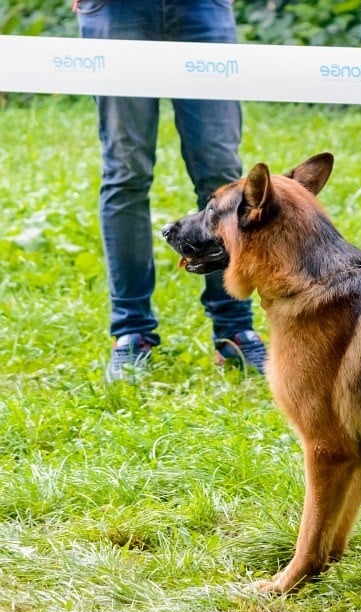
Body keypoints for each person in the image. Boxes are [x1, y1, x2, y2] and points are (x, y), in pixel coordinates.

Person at [75, 0, 266, 381]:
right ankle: (130, 333)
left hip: (202, 9)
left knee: (221, 175)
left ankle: (234, 330)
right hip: (115, 10)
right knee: (126, 174)